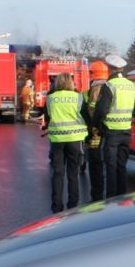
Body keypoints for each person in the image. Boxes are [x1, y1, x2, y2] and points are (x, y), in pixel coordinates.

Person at [41, 73, 88, 213]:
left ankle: (56, 207)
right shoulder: (78, 97)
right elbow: (86, 117)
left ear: (57, 82)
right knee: (73, 174)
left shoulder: (51, 98)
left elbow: (47, 118)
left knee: (58, 173)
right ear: (71, 83)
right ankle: (72, 207)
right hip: (75, 139)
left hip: (57, 140)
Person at [93, 54, 135, 198]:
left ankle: (111, 199)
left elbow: (101, 110)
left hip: (111, 132)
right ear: (122, 69)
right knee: (121, 166)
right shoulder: (132, 86)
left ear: (110, 69)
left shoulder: (109, 85)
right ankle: (122, 197)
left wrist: (95, 125)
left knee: (110, 167)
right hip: (126, 132)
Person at [85, 61, 109, 202]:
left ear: (93, 73)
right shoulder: (109, 86)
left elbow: (92, 109)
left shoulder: (95, 88)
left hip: (96, 132)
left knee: (95, 164)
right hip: (110, 130)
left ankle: (97, 197)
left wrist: (92, 128)